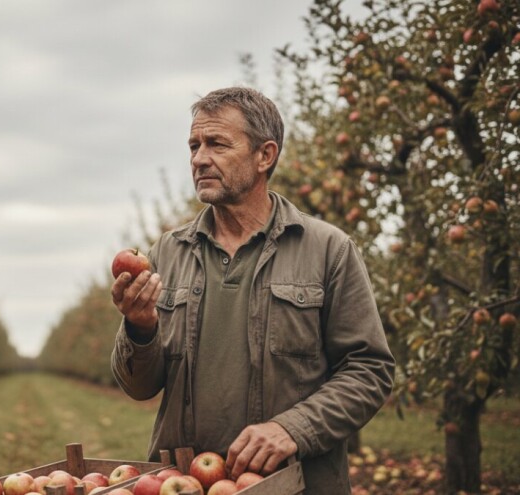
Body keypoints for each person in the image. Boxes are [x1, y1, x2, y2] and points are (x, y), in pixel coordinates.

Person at [110, 87, 394, 494]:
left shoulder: (327, 249)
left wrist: (292, 428)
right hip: (184, 482)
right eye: (194, 146)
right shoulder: (167, 253)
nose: (199, 159)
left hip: (294, 484)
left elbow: (370, 370)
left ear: (265, 155)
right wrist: (140, 328)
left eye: (217, 144)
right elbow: (139, 387)